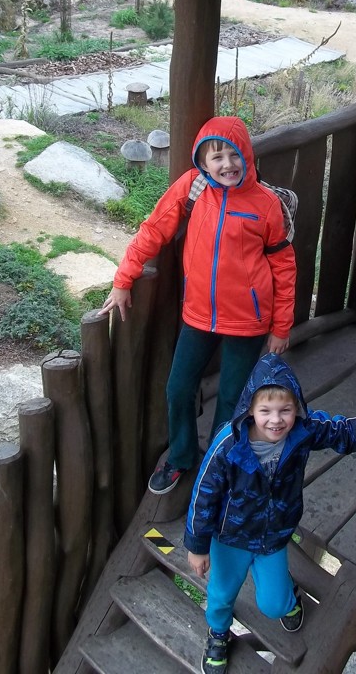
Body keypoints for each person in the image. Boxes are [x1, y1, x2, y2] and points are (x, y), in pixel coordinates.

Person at [101, 115, 297, 494]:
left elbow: (284, 266)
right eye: (216, 157)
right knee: (178, 388)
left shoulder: (266, 204)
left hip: (249, 321)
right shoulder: (193, 188)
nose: (227, 164)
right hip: (199, 314)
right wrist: (124, 279)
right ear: (202, 162)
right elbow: (153, 228)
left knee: (232, 399)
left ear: (246, 154)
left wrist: (281, 327)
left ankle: (217, 466)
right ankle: (182, 456)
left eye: (234, 154)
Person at [184, 351, 356, 673]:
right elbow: (204, 495)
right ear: (249, 409)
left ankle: (288, 596)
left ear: (296, 408)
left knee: (273, 604)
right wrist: (197, 546)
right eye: (265, 411)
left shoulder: (302, 431)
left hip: (273, 535)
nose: (276, 420)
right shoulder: (229, 444)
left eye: (285, 410)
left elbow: (344, 431)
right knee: (221, 593)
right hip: (230, 537)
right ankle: (218, 633)